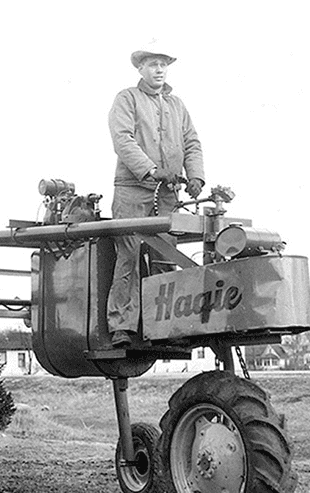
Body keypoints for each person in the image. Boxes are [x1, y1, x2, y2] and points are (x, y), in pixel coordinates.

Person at [106, 45, 205, 346]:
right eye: (152, 64)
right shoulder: (127, 99)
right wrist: (150, 170)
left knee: (166, 257)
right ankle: (122, 327)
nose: (158, 70)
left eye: (163, 64)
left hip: (167, 196)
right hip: (132, 191)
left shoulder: (177, 105)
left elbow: (192, 142)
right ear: (140, 69)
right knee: (129, 256)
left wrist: (196, 175)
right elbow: (122, 140)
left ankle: (164, 329)